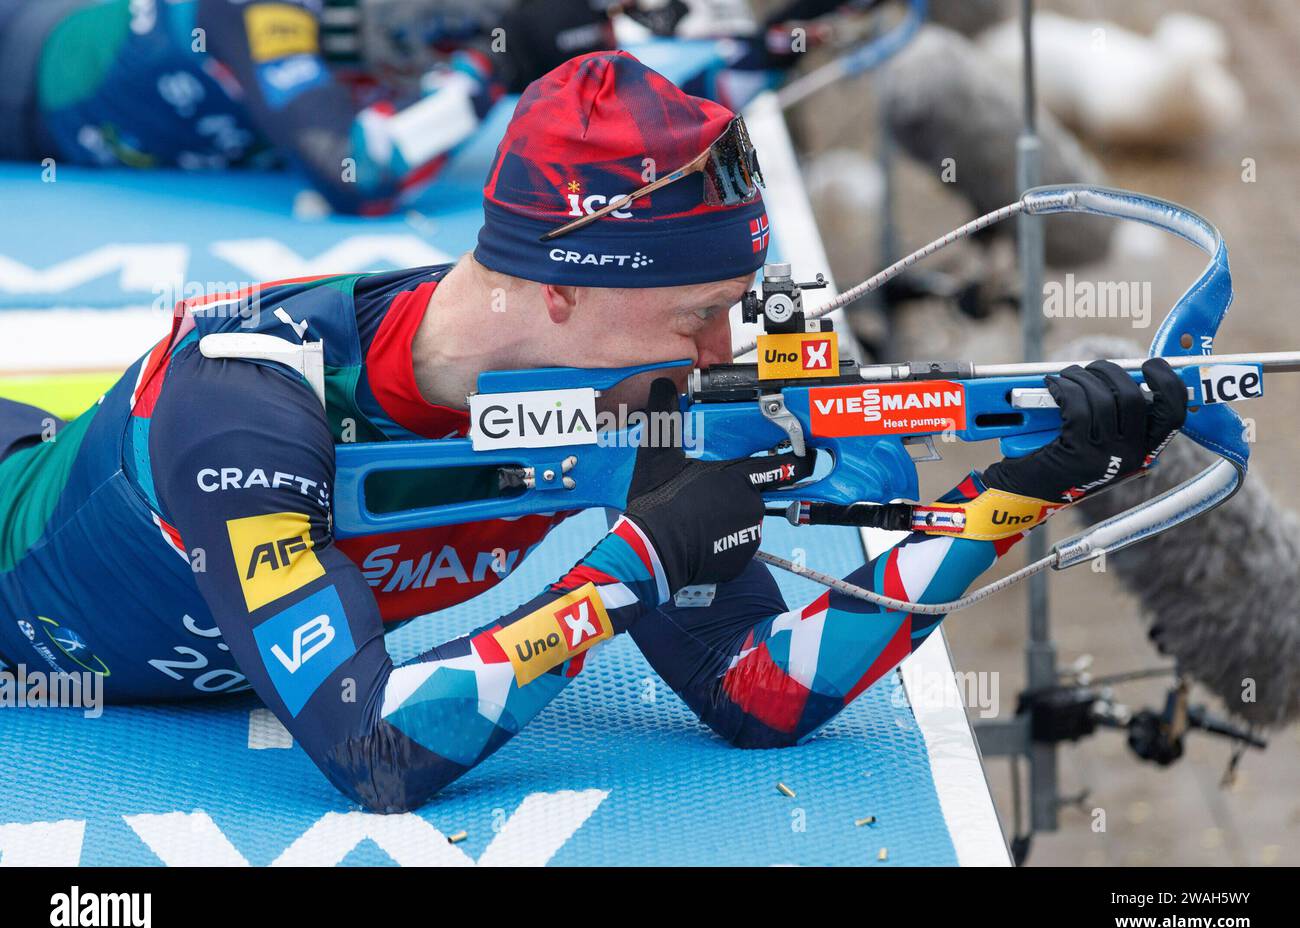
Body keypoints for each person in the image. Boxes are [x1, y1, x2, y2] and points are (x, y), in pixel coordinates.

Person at [0, 51, 1187, 812]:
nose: (721, 354)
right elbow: (371, 750)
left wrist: (1016, 492)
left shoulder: (632, 389)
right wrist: (627, 572)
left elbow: (755, 689)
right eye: (697, 315)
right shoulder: (243, 409)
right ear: (560, 287)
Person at [0, 0, 621, 214]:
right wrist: (490, 69)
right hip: (17, 81)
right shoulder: (264, 10)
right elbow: (356, 176)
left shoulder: (395, 35)